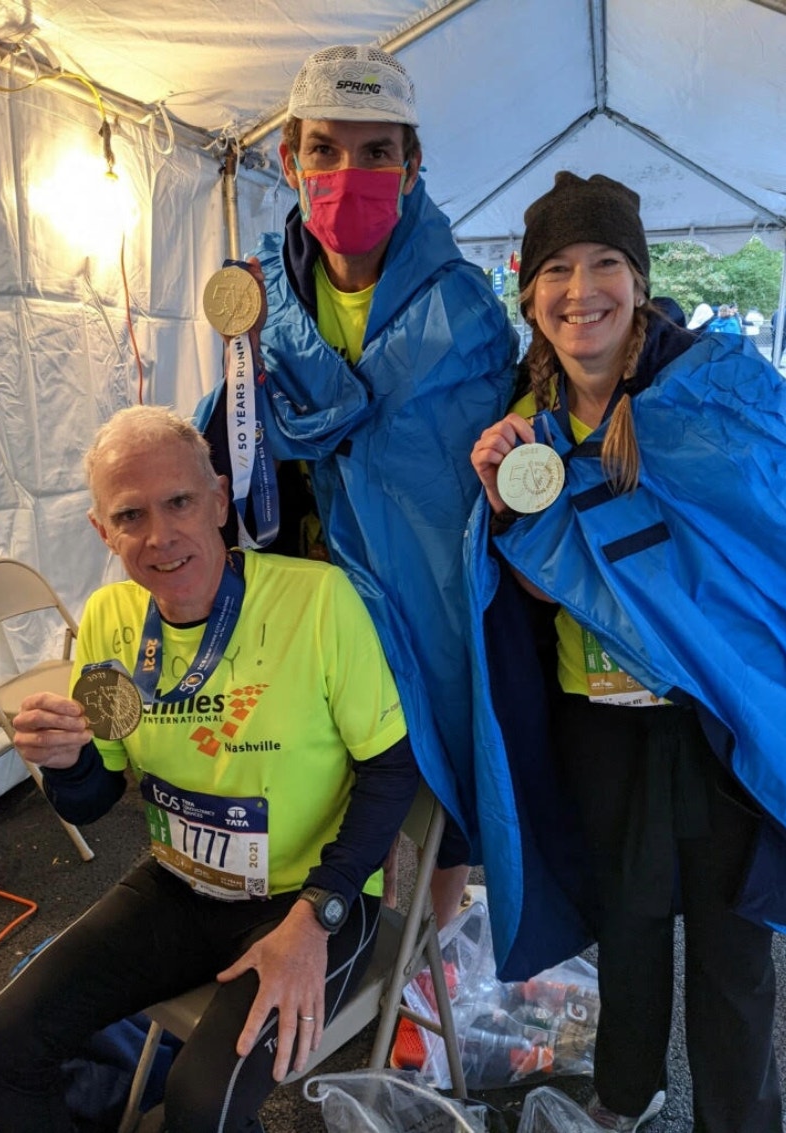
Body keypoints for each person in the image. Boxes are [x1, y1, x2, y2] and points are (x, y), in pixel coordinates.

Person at [0, 405, 419, 1133]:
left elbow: (392, 770)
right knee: (0, 1039)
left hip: (306, 901)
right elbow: (94, 798)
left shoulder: (318, 601)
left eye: (179, 501)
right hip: (179, 886)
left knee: (200, 1100)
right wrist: (68, 761)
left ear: (217, 498)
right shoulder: (111, 617)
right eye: (130, 514)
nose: (160, 535)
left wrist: (318, 912)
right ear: (101, 530)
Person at [469, 171, 786, 1132]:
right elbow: (545, 588)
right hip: (600, 731)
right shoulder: (522, 421)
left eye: (606, 263)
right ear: (529, 294)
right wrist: (507, 500)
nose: (585, 290)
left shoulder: (714, 393)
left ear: (640, 279)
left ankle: (740, 1121)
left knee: (735, 961)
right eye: (559, 270)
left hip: (712, 725)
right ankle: (624, 1104)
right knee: (629, 940)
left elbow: (769, 527)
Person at [194, 45, 518, 930]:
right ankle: (321, 941)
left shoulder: (469, 311)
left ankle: (429, 957)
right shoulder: (257, 301)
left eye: (377, 153)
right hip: (317, 595)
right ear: (291, 160)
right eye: (327, 150)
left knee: (445, 772)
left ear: (412, 169)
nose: (350, 173)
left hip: (430, 589)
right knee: (320, 772)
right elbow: (229, 447)